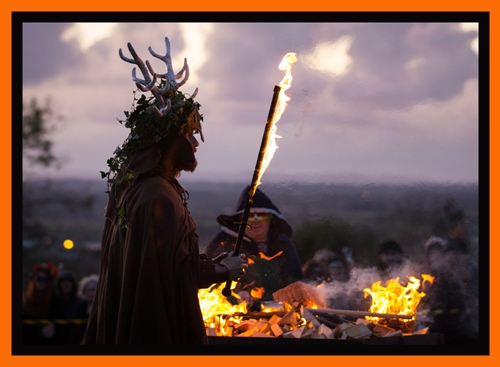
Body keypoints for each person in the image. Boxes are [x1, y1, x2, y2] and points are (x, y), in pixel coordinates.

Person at [81, 36, 246, 345]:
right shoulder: (158, 196)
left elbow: (158, 262)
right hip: (154, 331)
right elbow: (173, 275)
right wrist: (224, 270)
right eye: (187, 134)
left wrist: (209, 262)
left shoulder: (128, 188)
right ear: (169, 143)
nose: (195, 144)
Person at [204, 185, 304, 310]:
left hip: (281, 317)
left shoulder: (283, 245)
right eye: (249, 216)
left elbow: (297, 282)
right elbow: (207, 282)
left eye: (261, 215)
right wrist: (236, 295)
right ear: (240, 220)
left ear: (270, 218)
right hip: (235, 318)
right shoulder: (224, 243)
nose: (255, 221)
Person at [22, 263, 64, 344]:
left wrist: (54, 326)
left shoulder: (55, 300)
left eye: (45, 279)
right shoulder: (27, 300)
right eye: (39, 278)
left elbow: (62, 323)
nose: (41, 282)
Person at [55, 270, 88, 344]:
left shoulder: (81, 303)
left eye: (68, 281)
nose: (66, 284)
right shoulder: (55, 301)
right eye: (63, 281)